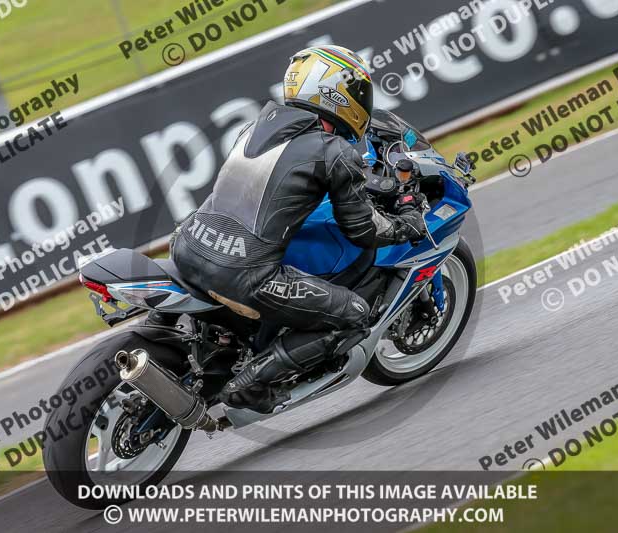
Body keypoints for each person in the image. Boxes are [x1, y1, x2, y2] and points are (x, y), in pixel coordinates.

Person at [171, 45, 427, 413]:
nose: (363, 102)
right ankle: (250, 385)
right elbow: (361, 229)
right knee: (354, 313)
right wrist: (406, 225)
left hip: (189, 245)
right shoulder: (334, 150)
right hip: (246, 275)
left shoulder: (254, 127)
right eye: (357, 93)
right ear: (336, 94)